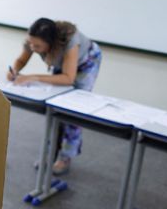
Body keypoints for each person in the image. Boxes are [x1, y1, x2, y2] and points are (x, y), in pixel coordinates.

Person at [7, 18, 102, 175]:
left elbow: (68, 78)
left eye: (37, 46)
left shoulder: (70, 41)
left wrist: (33, 77)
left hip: (87, 63)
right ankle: (50, 153)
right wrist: (14, 70)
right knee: (54, 107)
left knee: (73, 109)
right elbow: (21, 59)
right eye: (31, 44)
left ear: (51, 43)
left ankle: (65, 157)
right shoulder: (34, 39)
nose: (33, 48)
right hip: (63, 65)